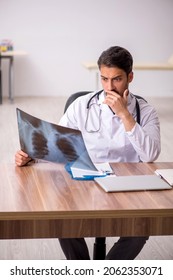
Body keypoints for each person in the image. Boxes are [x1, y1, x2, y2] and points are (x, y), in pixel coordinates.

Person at [15, 46, 161, 259]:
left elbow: (150, 155)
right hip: (86, 180)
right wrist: (30, 154)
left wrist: (125, 115)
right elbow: (57, 142)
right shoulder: (81, 106)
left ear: (130, 77)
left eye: (117, 79)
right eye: (104, 79)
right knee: (62, 219)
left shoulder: (145, 111)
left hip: (126, 184)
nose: (109, 87)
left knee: (140, 228)